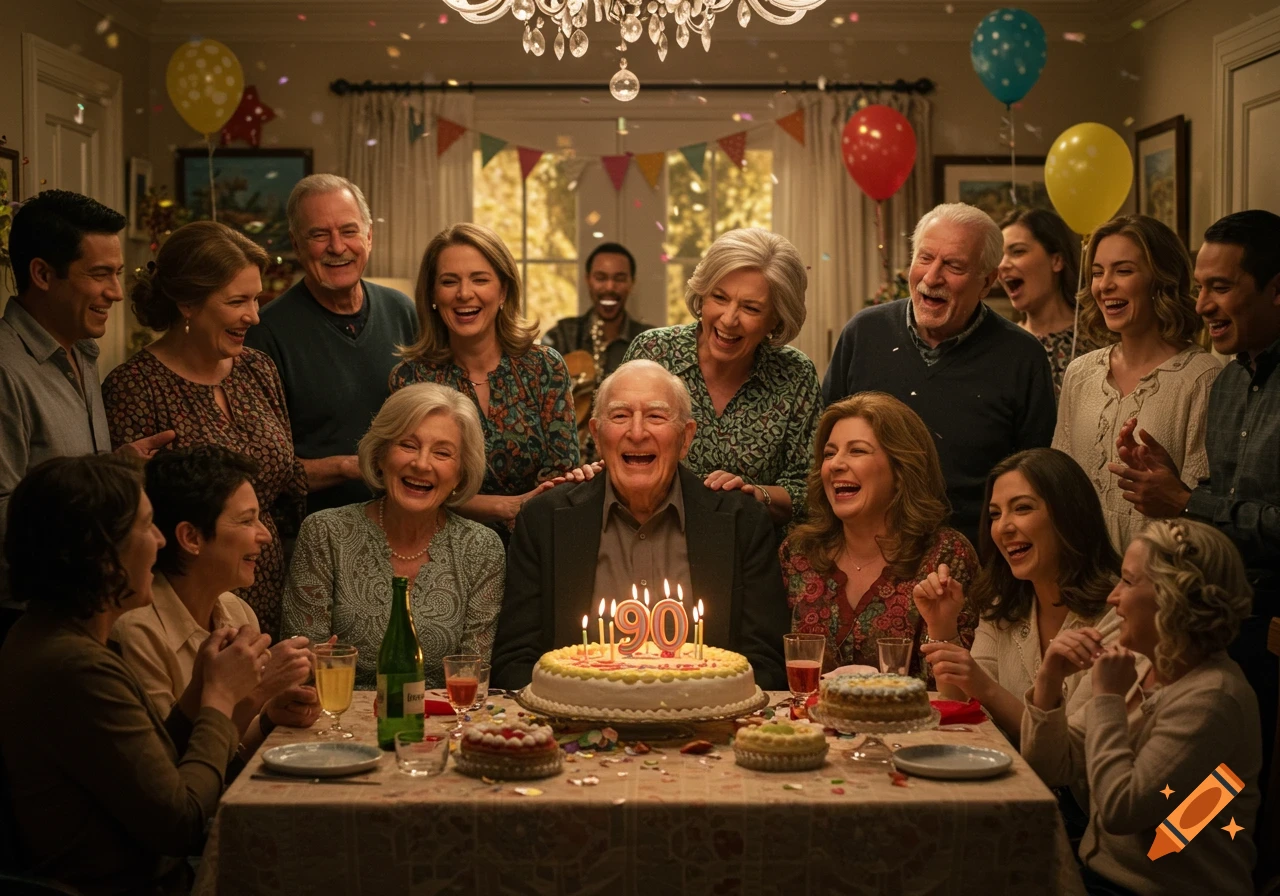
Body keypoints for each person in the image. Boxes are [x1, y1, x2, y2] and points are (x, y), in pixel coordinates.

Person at [0, 454, 271, 895]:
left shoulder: (48, 636)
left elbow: (156, 770)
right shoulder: (73, 666)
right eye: (147, 527)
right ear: (101, 554)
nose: (162, 542)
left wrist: (204, 685)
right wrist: (219, 699)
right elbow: (180, 823)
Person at [1103, 208, 1280, 803]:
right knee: (1191, 797)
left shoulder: (1210, 376)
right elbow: (1222, 507)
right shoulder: (1232, 380)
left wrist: (1184, 499)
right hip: (1220, 623)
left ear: (1277, 291)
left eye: (1221, 288)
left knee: (1232, 802)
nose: (1202, 304)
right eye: (1200, 287)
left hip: (1270, 634)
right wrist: (1171, 485)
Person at [490, 360, 789, 690]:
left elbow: (767, 664)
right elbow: (514, 662)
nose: (636, 432)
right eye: (620, 416)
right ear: (597, 435)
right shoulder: (545, 520)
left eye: (656, 416)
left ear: (686, 437)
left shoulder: (741, 520)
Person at [1021, 519, 1260, 896]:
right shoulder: (1144, 663)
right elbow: (1048, 766)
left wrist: (1108, 699)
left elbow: (1121, 810)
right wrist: (1049, 680)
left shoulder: (1214, 697)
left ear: (1172, 596)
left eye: (1128, 582)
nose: (1113, 598)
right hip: (1100, 876)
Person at [102, 221, 307, 638]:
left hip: (265, 586)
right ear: (187, 304)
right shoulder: (135, 386)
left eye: (255, 298)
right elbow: (134, 516)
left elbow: (287, 482)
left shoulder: (257, 369)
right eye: (237, 301)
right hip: (184, 604)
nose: (253, 315)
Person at [823, 203, 1056, 546]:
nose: (932, 278)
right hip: (865, 552)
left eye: (954, 265)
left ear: (987, 281)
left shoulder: (1022, 357)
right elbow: (823, 446)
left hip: (974, 559)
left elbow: (1034, 482)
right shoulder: (863, 334)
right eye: (924, 258)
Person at [0, 190, 174, 605]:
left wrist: (114, 470)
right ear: (42, 274)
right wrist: (101, 496)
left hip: (85, 604)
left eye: (117, 273)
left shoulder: (82, 350)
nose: (116, 292)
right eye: (99, 274)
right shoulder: (6, 369)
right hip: (29, 615)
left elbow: (66, 479)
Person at [281, 383, 505, 689]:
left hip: (441, 726)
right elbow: (302, 671)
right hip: (338, 723)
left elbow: (470, 677)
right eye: (408, 445)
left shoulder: (482, 548)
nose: (421, 463)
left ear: (461, 473)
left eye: (442, 453)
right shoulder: (325, 533)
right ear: (381, 454)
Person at [112, 446, 319, 760]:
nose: (264, 535)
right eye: (247, 521)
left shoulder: (235, 610)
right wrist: (259, 690)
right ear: (191, 538)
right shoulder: (139, 631)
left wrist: (269, 717)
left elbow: (229, 749)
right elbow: (173, 764)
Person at [914, 448, 1128, 746]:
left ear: (1069, 514)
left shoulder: (1119, 613)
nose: (1003, 527)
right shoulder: (1004, 604)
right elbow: (959, 705)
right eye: (995, 514)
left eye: (1023, 508)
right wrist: (942, 627)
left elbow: (1068, 751)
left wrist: (985, 688)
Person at [389, 223, 579, 539]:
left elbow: (561, 479)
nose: (465, 294)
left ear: (503, 291)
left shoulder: (544, 367)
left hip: (534, 546)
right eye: (449, 281)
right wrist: (504, 507)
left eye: (480, 279)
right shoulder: (411, 379)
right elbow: (410, 481)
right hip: (439, 550)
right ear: (432, 295)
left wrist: (524, 512)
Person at [245, 174, 418, 515]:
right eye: (319, 235)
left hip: (405, 520)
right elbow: (259, 469)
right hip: (311, 531)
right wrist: (349, 467)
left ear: (369, 237)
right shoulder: (264, 333)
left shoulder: (402, 311)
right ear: (296, 245)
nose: (337, 247)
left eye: (349, 231)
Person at [623, 228, 820, 526]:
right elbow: (617, 450)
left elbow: (811, 489)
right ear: (702, 295)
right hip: (653, 534)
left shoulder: (795, 374)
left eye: (751, 308)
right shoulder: (653, 352)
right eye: (719, 297)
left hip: (754, 551)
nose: (729, 319)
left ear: (777, 318)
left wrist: (755, 495)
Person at [781, 393, 977, 679]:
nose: (835, 464)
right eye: (829, 453)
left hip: (914, 723)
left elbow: (955, 697)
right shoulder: (798, 553)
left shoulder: (945, 555)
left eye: (857, 451)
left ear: (901, 470)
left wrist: (942, 629)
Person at [1053, 214, 1219, 551]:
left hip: (1159, 583)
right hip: (1082, 584)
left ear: (1161, 280)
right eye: (1098, 273)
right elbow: (1060, 486)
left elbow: (1203, 516)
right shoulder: (1080, 373)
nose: (1104, 285)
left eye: (1123, 270)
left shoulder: (1201, 378)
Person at [542, 242, 656, 461]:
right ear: (588, 280)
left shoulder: (648, 342)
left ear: (631, 283)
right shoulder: (561, 336)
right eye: (601, 278)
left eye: (620, 278)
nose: (610, 287)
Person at [998, 208, 1104, 397]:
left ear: (1056, 260)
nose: (1003, 264)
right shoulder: (1001, 345)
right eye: (999, 256)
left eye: (1017, 252)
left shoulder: (1100, 338)